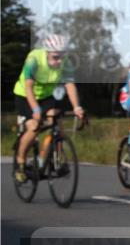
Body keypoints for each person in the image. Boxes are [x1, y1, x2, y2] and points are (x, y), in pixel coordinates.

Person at [12, 34, 86, 182]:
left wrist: (77, 107)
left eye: (61, 56)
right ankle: (20, 162)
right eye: (55, 57)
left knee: (56, 119)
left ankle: (48, 158)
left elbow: (69, 85)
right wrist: (36, 110)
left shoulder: (65, 62)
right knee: (34, 127)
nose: (59, 61)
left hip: (46, 96)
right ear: (46, 52)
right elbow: (28, 87)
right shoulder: (33, 60)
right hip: (25, 96)